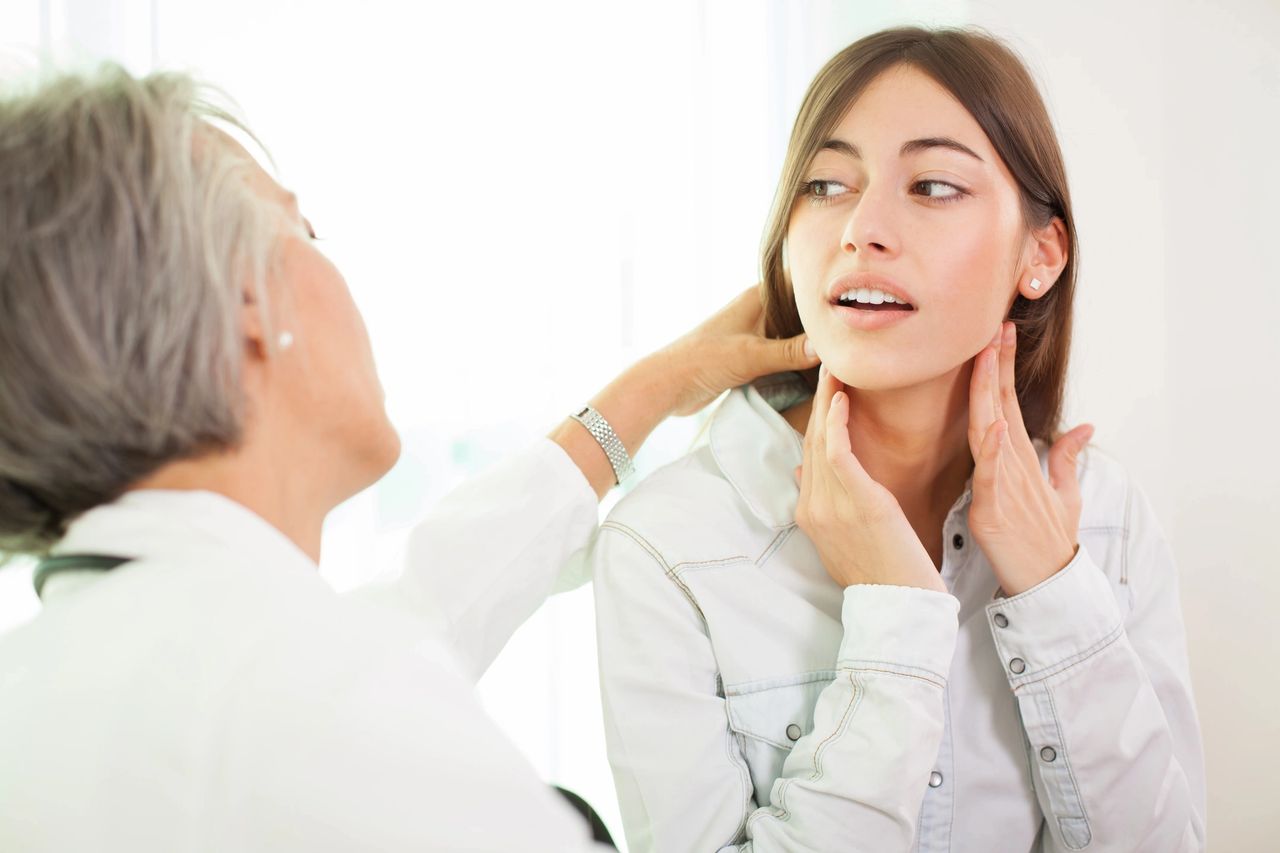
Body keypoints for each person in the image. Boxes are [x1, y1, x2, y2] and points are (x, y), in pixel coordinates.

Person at [0, 67, 822, 850]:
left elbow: (414, 616)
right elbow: (341, 689)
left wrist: (650, 389)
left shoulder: (70, 678)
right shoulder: (309, 702)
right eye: (302, 229)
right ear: (248, 300)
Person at [590, 26, 1206, 852]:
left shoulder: (1103, 515)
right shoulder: (666, 544)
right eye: (825, 184)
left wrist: (1052, 591)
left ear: (1041, 254)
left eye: (935, 185)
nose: (862, 228)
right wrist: (896, 621)